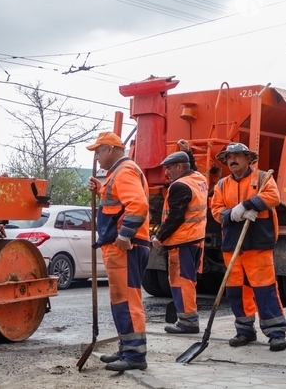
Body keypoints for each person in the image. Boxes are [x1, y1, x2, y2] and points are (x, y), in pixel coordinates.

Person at [210, 142, 286, 351]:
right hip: (232, 245)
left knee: (265, 289)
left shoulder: (262, 178)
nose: (232, 160)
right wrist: (232, 214)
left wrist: (247, 205)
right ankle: (244, 330)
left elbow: (273, 197)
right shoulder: (222, 185)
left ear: (248, 159)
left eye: (237, 156)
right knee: (236, 291)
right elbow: (216, 210)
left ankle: (276, 333)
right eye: (229, 157)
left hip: (257, 243)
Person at [86, 131, 150, 372]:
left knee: (127, 301)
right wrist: (101, 190)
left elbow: (138, 205)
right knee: (121, 300)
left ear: (110, 149)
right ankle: (127, 347)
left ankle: (134, 355)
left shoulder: (124, 171)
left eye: (98, 151)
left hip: (125, 247)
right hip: (122, 247)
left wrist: (124, 236)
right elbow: (120, 204)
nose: (96, 157)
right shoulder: (120, 173)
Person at [151, 142, 208, 335]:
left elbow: (175, 216)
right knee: (189, 281)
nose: (166, 172)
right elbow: (194, 168)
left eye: (169, 168)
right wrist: (188, 153)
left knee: (181, 282)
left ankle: (188, 321)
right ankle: (188, 319)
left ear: (179, 167)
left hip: (182, 241)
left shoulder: (179, 186)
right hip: (196, 239)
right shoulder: (198, 179)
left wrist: (159, 236)